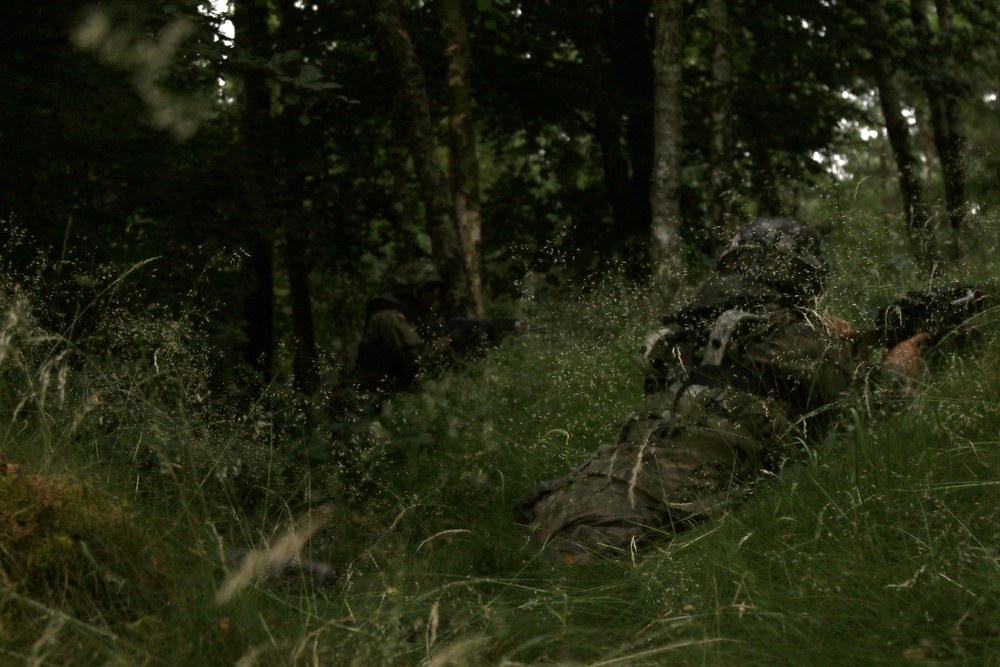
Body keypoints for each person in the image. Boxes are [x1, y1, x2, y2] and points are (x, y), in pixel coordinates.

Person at [514, 218, 929, 565]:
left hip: (563, 501)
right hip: (615, 527)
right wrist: (900, 365)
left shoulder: (686, 332)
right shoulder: (789, 336)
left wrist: (832, 339)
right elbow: (879, 410)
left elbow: (750, 378)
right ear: (800, 276)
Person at [348, 260, 454, 402]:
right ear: (411, 292)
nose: (432, 295)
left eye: (433, 290)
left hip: (383, 399)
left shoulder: (409, 319)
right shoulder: (390, 318)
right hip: (364, 401)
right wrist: (449, 340)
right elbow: (419, 360)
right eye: (427, 289)